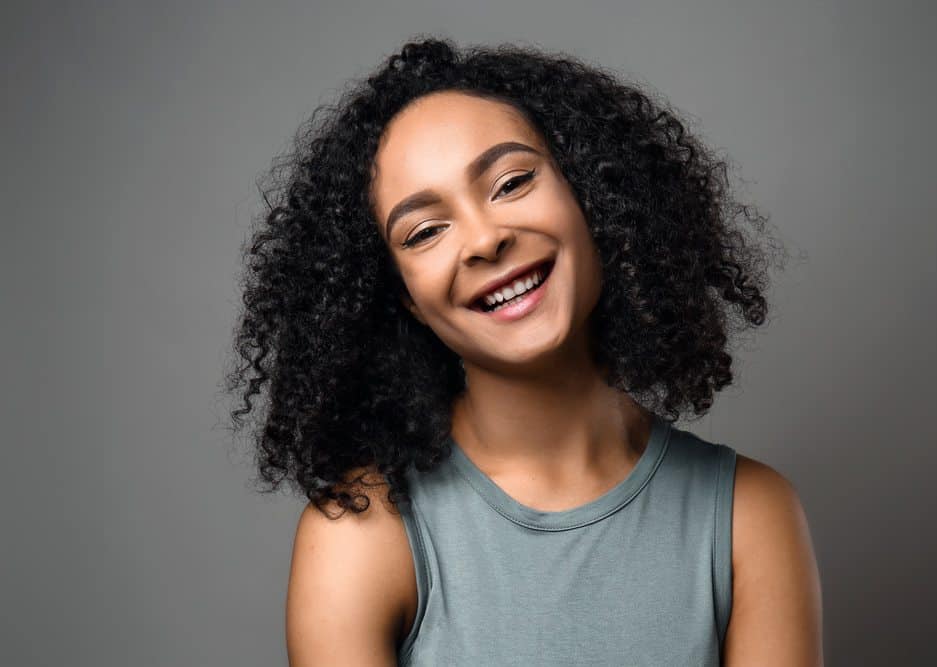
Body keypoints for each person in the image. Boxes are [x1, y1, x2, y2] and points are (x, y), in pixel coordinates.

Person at [225, 36, 823, 666]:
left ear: (593, 195)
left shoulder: (747, 518)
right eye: (425, 231)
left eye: (510, 182)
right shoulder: (362, 536)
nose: (484, 240)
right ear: (401, 299)